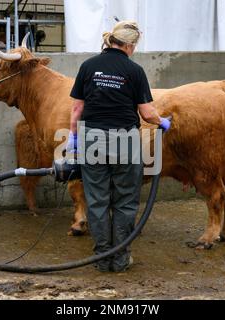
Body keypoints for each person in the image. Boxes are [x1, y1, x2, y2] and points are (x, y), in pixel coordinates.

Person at [67, 21, 171, 272]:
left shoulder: (88, 66)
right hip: (124, 140)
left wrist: (73, 138)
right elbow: (147, 113)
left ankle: (102, 259)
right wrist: (162, 121)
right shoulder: (134, 70)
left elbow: (77, 108)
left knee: (97, 200)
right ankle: (121, 259)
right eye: (134, 46)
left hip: (92, 139)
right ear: (128, 45)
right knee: (125, 201)